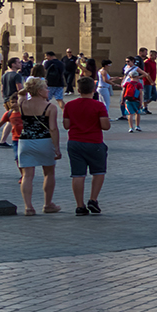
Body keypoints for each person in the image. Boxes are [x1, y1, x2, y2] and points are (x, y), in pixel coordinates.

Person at [61, 75, 110, 215]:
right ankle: (93, 199)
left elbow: (66, 125)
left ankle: (79, 205)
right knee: (98, 172)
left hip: (75, 142)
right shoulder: (99, 105)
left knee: (78, 174)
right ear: (94, 89)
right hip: (94, 142)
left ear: (78, 89)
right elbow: (105, 126)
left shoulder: (70, 105)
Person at [13, 78, 62, 215]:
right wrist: (56, 147)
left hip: (25, 141)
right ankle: (47, 204)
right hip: (44, 141)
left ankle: (28, 207)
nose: (48, 91)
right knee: (49, 173)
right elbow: (53, 128)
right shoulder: (50, 107)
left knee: (27, 175)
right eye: (45, 88)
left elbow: (21, 93)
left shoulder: (22, 104)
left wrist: (28, 89)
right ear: (40, 91)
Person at [121, 64, 145, 132]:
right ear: (137, 76)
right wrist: (141, 102)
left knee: (130, 114)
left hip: (128, 100)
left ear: (130, 76)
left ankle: (130, 127)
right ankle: (137, 126)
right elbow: (140, 94)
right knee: (137, 113)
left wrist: (122, 100)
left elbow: (123, 92)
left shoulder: (127, 84)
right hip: (136, 100)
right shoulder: (139, 84)